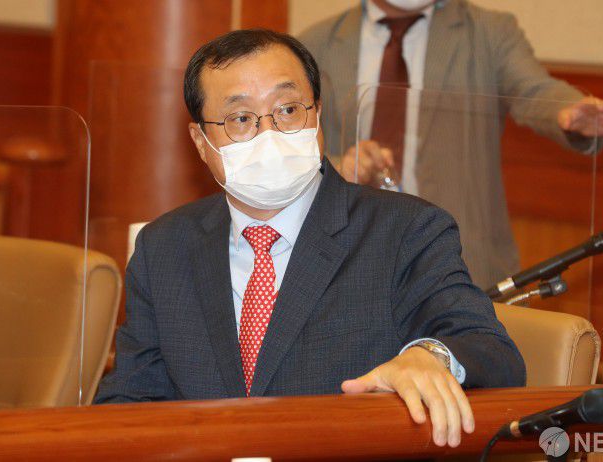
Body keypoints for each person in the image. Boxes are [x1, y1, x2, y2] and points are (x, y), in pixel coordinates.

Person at [94, 29, 525, 449]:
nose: (269, 134)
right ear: (201, 142)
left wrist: (430, 356)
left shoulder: (406, 230)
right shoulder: (163, 247)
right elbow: (130, 401)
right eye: (241, 119)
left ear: (316, 115)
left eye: (287, 110)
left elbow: (489, 349)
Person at [299, 0, 603, 289]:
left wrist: (570, 112)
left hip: (460, 261)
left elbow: (534, 90)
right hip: (350, 260)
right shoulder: (316, 42)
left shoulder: (488, 31)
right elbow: (291, 147)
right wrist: (339, 166)